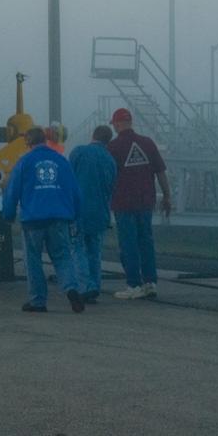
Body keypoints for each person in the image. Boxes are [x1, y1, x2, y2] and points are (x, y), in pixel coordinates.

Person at [1, 126, 85, 314]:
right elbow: (75, 192)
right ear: (45, 140)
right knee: (63, 257)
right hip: (59, 218)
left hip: (33, 220)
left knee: (33, 260)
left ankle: (38, 301)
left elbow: (12, 191)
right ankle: (71, 289)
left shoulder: (24, 162)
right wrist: (75, 216)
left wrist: (8, 215)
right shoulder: (62, 161)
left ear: (28, 143)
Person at [106, 108, 172, 300]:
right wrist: (167, 196)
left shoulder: (113, 147)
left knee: (128, 244)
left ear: (117, 124)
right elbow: (160, 172)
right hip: (146, 201)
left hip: (123, 202)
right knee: (146, 241)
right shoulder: (147, 143)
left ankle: (133, 284)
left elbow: (108, 176)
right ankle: (150, 283)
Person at [68, 125, 118, 303]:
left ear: (93, 135)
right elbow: (112, 187)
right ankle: (95, 286)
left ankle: (84, 286)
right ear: (108, 140)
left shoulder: (79, 152)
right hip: (100, 213)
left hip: (79, 211)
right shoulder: (110, 160)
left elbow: (68, 180)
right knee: (95, 251)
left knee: (77, 249)